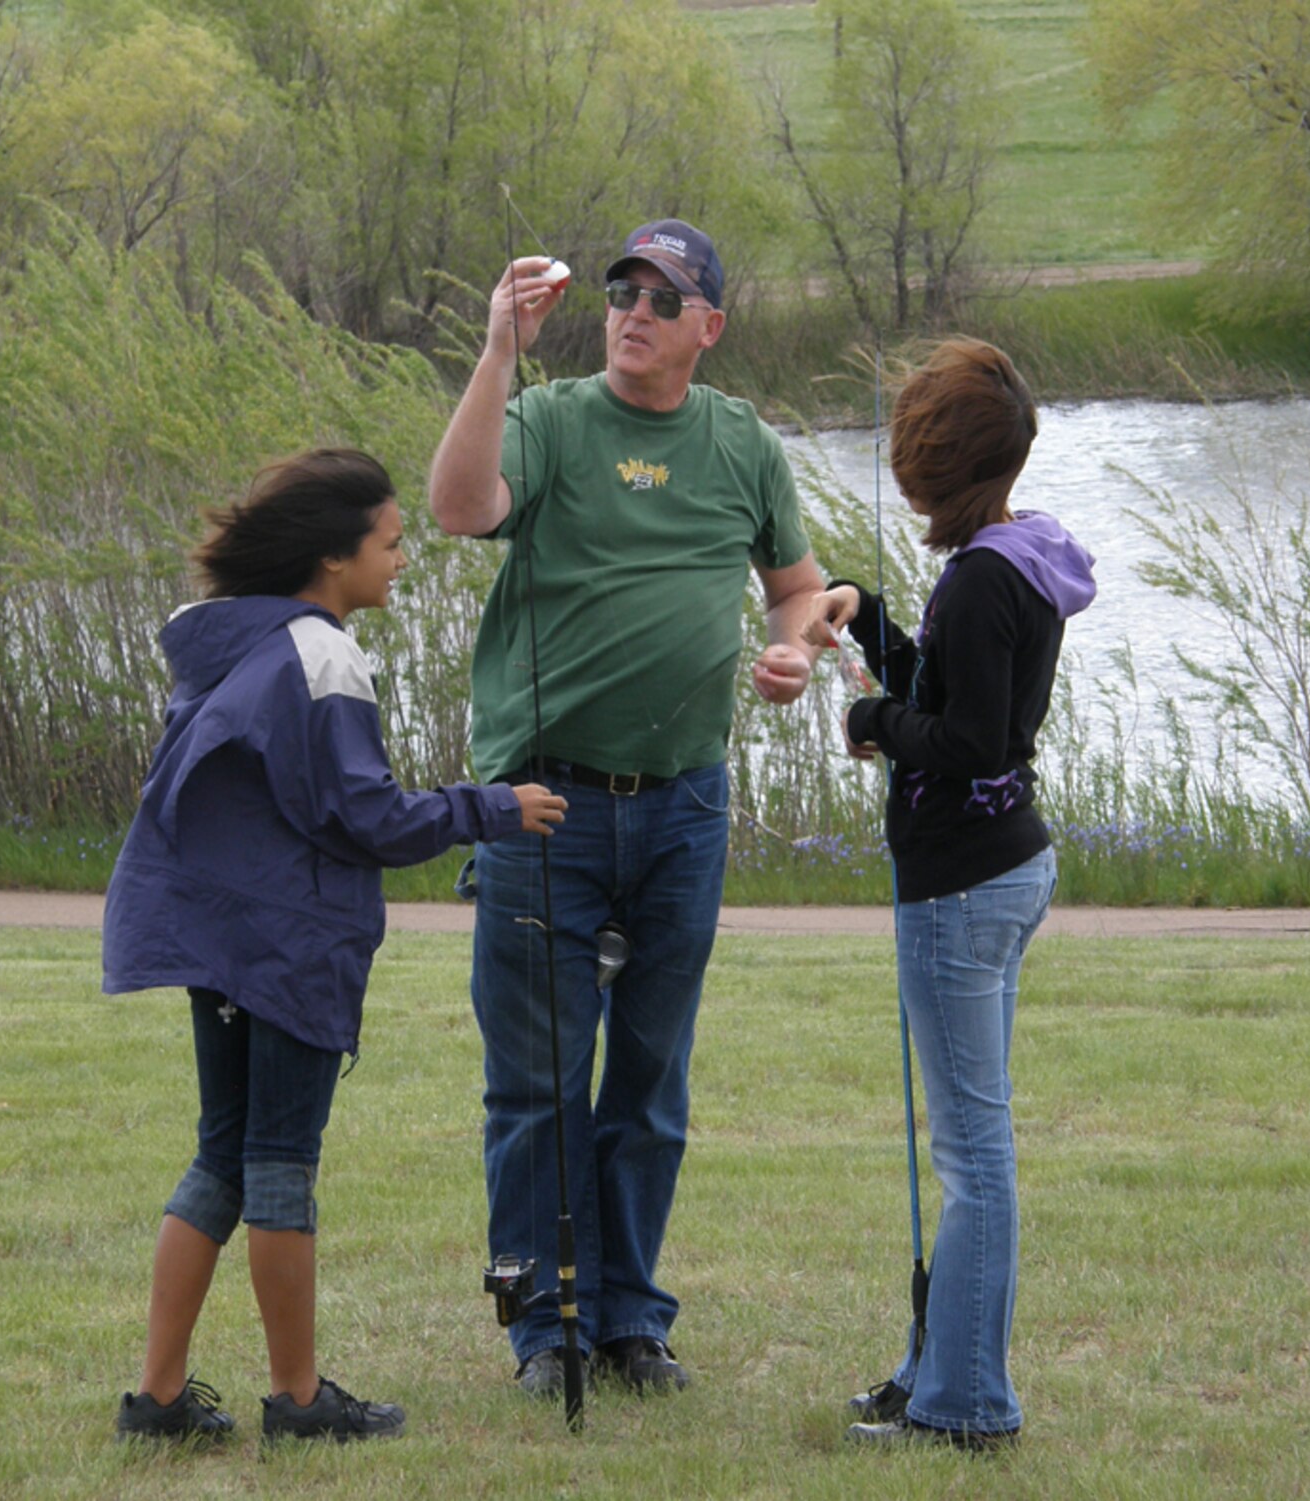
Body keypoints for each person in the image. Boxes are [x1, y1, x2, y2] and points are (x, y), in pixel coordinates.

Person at [428, 219, 823, 1398]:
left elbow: (796, 588)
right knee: (539, 1081)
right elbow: (456, 508)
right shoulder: (547, 420)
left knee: (648, 1077)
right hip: (546, 804)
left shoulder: (741, 441)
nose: (634, 311)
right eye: (621, 292)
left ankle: (629, 1320)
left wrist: (790, 647)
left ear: (708, 325)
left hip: (687, 805)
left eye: (664, 296)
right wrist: (499, 351)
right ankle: (544, 1326)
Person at [102, 448, 566, 1444]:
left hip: (221, 941)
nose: (403, 561)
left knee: (219, 1159)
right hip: (286, 947)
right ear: (331, 559)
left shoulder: (235, 643)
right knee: (277, 1164)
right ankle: (300, 1399)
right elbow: (367, 818)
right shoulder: (319, 652)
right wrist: (494, 805)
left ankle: (159, 1396)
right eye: (390, 544)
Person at [801, 339, 1096, 1451]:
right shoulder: (1014, 556)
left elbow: (967, 738)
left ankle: (965, 1402)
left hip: (959, 890)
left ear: (937, 461)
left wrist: (871, 720)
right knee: (973, 1146)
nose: (902, 471)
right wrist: (869, 615)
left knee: (973, 1157)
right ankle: (935, 1367)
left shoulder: (979, 578)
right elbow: (961, 687)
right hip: (1006, 867)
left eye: (910, 452)